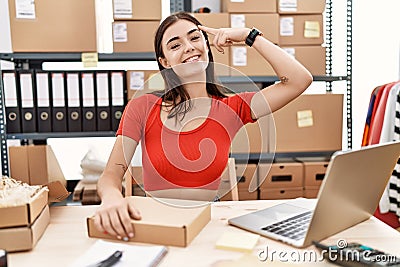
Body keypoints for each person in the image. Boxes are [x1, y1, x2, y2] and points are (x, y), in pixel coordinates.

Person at [94, 12, 312, 240]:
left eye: (195, 38)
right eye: (175, 45)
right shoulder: (142, 108)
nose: (189, 47)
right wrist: (111, 197)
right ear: (165, 62)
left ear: (207, 46)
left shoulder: (231, 108)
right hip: (156, 225)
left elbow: (299, 80)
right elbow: (111, 174)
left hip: (206, 229)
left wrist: (249, 35)